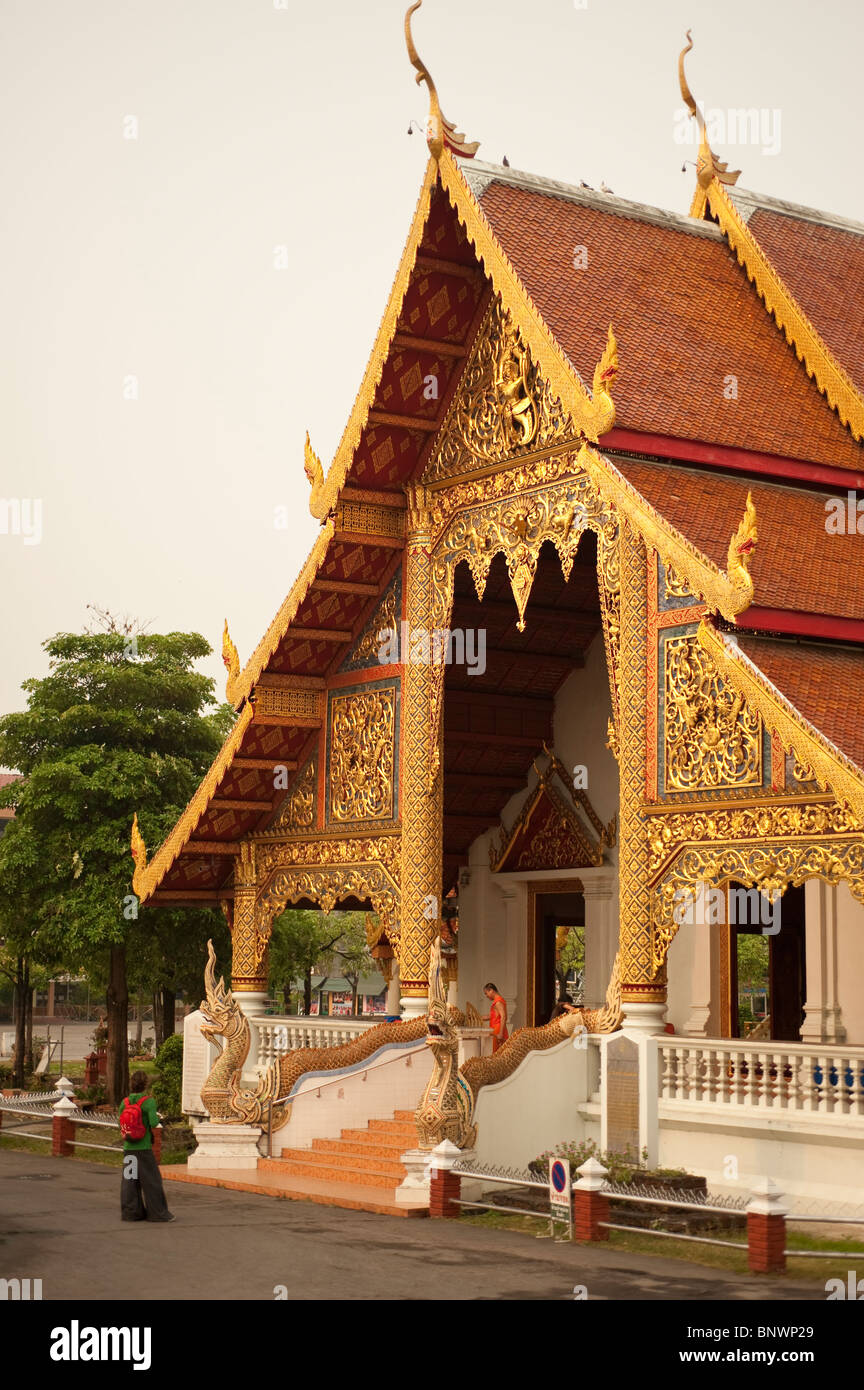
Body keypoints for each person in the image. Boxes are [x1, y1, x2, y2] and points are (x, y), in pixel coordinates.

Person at [119, 1070, 175, 1223]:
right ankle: (157, 1213)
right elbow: (152, 1122)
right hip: (143, 1148)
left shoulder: (124, 1102)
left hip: (129, 1147)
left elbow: (121, 1123)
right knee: (151, 1180)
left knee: (130, 1181)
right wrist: (157, 1118)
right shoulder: (148, 1102)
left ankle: (131, 1213)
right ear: (145, 1084)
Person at [483, 982, 509, 1053]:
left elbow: (503, 1017)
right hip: (496, 1029)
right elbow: (490, 1016)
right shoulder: (497, 1001)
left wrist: (500, 1033)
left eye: (486, 993)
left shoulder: (498, 1002)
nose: (486, 996)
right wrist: (475, 1017)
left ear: (491, 990)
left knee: (497, 1054)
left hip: (498, 1030)